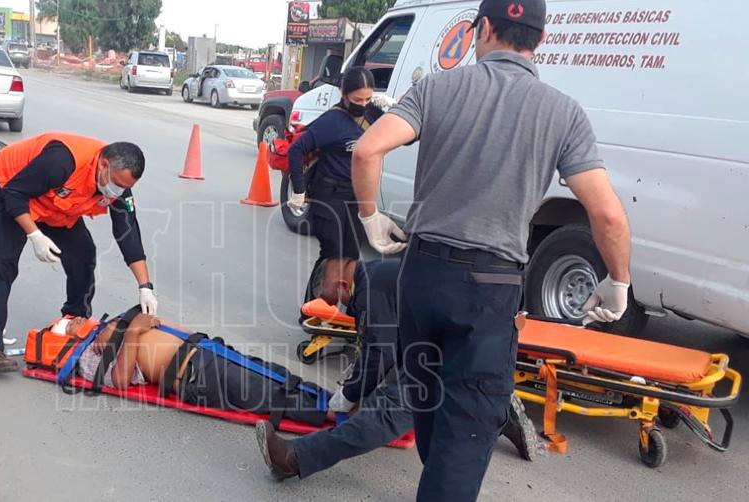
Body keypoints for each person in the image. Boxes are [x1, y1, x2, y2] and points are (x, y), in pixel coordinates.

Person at [351, 1, 633, 499]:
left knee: (426, 396)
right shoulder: (563, 112)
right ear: (540, 40)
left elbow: (367, 148)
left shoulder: (437, 88)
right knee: (469, 424)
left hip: (422, 272)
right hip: (490, 285)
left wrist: (371, 218)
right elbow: (607, 214)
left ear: (481, 28)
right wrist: (618, 281)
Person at [255, 258, 536, 480]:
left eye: (334, 299)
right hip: (459, 334)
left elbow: (380, 352)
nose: (340, 307)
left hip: (454, 345)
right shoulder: (377, 273)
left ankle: (293, 458)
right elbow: (387, 344)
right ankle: (495, 409)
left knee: (385, 413)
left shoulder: (371, 288)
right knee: (394, 396)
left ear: (341, 285)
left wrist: (349, 395)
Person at [0, 132, 159, 375]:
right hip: (6, 187)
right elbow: (14, 193)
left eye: (125, 188)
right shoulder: (62, 161)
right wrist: (34, 235)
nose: (117, 192)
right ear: (103, 164)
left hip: (53, 203)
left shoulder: (118, 187)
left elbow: (128, 232)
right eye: (116, 184)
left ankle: (74, 322)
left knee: (83, 255)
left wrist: (145, 286)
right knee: (1, 266)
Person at [60, 311, 330, 425]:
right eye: (70, 324)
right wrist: (130, 332)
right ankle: (336, 414)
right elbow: (119, 381)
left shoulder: (107, 329)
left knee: (277, 375)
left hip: (206, 350)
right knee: (272, 393)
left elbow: (148, 320)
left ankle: (337, 400)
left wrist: (118, 327)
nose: (78, 318)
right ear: (70, 339)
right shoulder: (86, 356)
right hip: (194, 374)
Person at [286, 67, 392, 304]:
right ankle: (314, 311)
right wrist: (299, 189)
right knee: (333, 253)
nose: (362, 104)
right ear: (344, 96)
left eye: (367, 99)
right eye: (357, 100)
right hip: (329, 194)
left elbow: (404, 134)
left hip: (356, 195)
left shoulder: (373, 114)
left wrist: (395, 109)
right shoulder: (332, 121)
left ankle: (343, 313)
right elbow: (296, 150)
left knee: (352, 254)